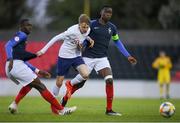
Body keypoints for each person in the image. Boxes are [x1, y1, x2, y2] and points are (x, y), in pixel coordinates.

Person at [61, 5, 137, 116]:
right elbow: (81, 34)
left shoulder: (112, 28)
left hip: (102, 58)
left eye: (110, 13)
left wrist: (128, 55)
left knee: (109, 80)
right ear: (101, 13)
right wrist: (80, 46)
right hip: (88, 57)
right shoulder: (91, 24)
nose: (108, 15)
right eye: (106, 12)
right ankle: (62, 104)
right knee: (79, 85)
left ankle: (109, 110)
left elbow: (117, 42)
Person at [5, 19, 76, 115]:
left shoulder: (21, 38)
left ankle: (14, 104)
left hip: (14, 65)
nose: (30, 27)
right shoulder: (22, 35)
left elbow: (22, 59)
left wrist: (37, 71)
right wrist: (10, 59)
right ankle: (61, 110)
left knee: (30, 85)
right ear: (21, 27)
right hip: (14, 65)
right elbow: (7, 45)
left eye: (30, 25)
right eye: (27, 25)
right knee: (41, 86)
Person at [37, 14, 94, 97]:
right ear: (79, 25)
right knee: (59, 83)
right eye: (83, 27)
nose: (85, 29)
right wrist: (43, 50)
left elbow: (85, 35)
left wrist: (89, 39)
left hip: (76, 56)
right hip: (64, 56)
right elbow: (56, 38)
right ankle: (54, 100)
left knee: (85, 74)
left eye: (87, 27)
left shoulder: (88, 30)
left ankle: (69, 84)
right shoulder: (71, 31)